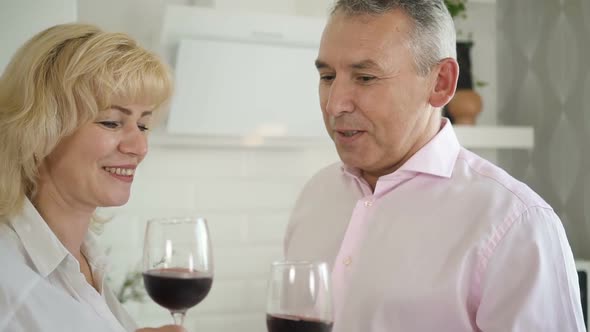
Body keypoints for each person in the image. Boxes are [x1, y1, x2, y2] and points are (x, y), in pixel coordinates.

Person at [284, 0, 585, 331]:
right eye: (327, 76)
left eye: (366, 77)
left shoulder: (517, 227)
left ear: (440, 82)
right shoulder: (315, 196)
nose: (334, 103)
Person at [0, 23, 183, 332]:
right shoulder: (9, 283)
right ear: (40, 129)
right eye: (112, 122)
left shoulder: (83, 258)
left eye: (143, 125)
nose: (139, 147)